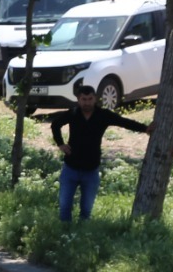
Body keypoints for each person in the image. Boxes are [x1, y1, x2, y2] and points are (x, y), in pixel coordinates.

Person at [50, 84, 154, 222]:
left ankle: (82, 235)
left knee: (86, 211)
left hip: (91, 171)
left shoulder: (103, 115)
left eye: (90, 99)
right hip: (70, 169)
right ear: (78, 100)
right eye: (83, 99)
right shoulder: (73, 113)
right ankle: (65, 236)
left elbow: (123, 122)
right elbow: (55, 124)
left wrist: (145, 128)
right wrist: (60, 144)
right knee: (64, 208)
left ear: (95, 99)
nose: (87, 102)